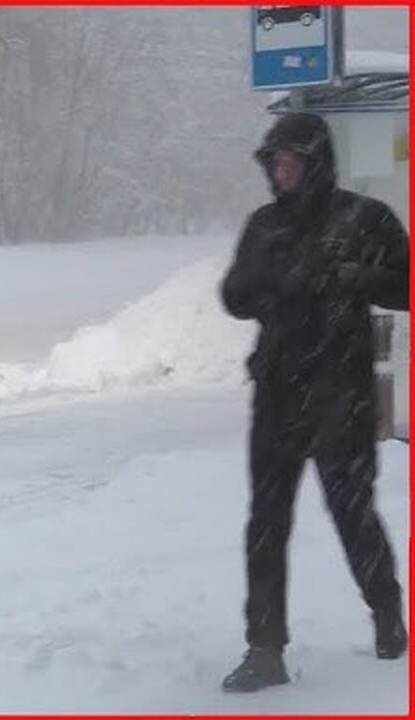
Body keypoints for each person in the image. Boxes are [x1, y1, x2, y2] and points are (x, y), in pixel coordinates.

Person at [218, 111, 409, 693]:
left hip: (340, 396)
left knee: (353, 515)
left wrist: (354, 276)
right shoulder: (263, 225)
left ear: (316, 162)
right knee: (265, 524)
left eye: (289, 161)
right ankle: (265, 649)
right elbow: (234, 295)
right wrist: (250, 290)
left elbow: (406, 284)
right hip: (277, 395)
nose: (279, 172)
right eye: (273, 162)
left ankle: (386, 613)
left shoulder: (365, 218)